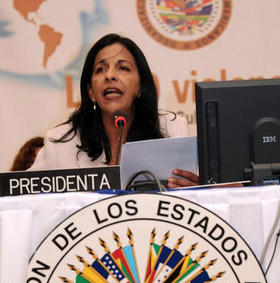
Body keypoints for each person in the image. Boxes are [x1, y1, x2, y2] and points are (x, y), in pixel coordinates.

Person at [29, 33, 198, 187]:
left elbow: (198, 199)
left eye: (123, 68)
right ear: (91, 92)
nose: (109, 75)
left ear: (140, 87)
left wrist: (195, 191)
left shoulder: (172, 129)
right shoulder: (60, 143)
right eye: (100, 69)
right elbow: (22, 202)